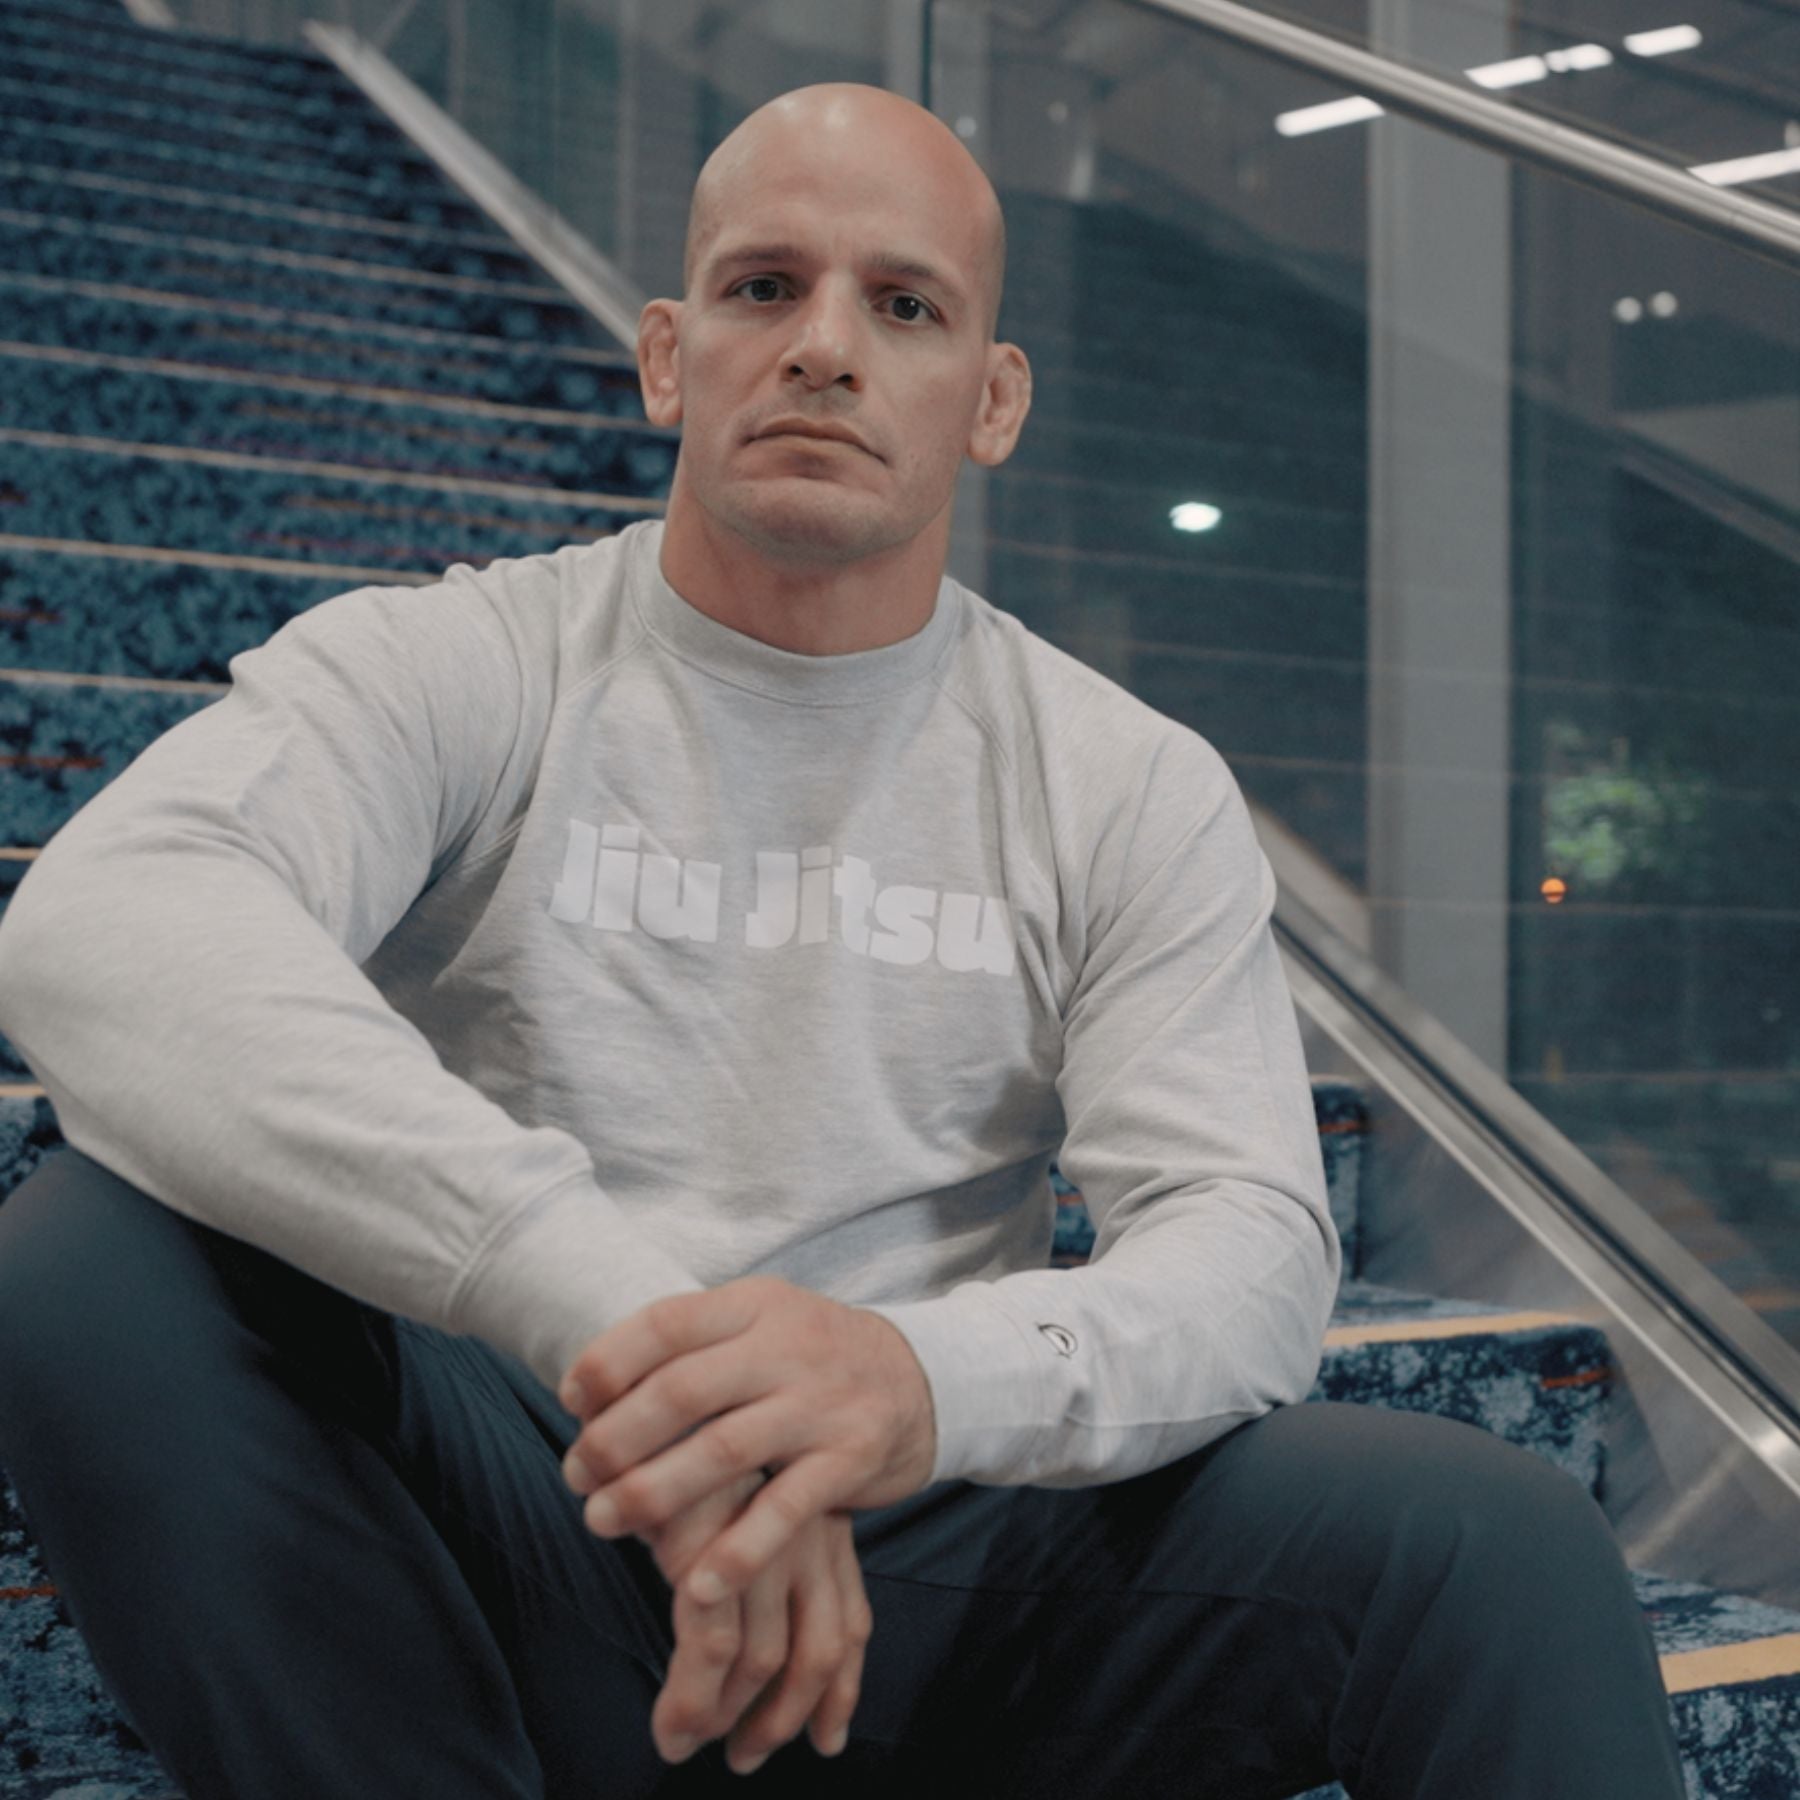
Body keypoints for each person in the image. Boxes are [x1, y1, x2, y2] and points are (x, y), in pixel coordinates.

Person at [0, 82, 1687, 1800]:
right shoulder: (472, 662)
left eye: (903, 305)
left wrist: (908, 1381)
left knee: (1498, 1543)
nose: (824, 348)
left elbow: (1249, 1246)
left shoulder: (1120, 778)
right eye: (761, 289)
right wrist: (617, 1323)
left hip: (956, 1568)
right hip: (547, 1518)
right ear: (667, 358)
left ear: (992, 398)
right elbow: (107, 921)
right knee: (91, 1248)